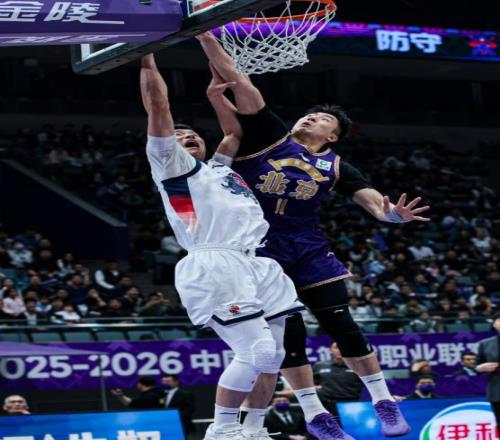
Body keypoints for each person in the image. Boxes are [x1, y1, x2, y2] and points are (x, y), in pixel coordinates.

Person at [198, 32, 427, 438]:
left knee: (342, 324)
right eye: (308, 114)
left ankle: (383, 400)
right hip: (260, 252)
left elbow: (377, 206)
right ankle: (314, 412)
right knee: (289, 337)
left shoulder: (337, 167)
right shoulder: (267, 136)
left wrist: (395, 216)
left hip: (307, 249)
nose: (310, 118)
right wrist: (205, 35)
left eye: (322, 119)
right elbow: (237, 77)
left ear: (333, 136)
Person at [141, 53, 303, 440]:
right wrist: (146, 57)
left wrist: (216, 96)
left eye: (193, 135)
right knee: (256, 352)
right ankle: (222, 428)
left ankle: (254, 429)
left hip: (255, 261)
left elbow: (232, 135)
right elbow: (158, 106)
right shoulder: (171, 165)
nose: (188, 137)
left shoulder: (218, 169)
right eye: (180, 136)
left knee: (274, 356)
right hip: (214, 260)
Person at [312, 343, 363, 419]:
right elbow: (310, 384)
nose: (340, 350)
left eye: (343, 347)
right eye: (336, 348)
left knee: (352, 426)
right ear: (330, 350)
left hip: (352, 405)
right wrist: (314, 387)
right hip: (326, 405)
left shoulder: (357, 366)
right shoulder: (319, 366)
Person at [475, 313, 500, 428]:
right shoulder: (485, 344)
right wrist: (479, 368)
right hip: (497, 389)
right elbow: (477, 365)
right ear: (494, 324)